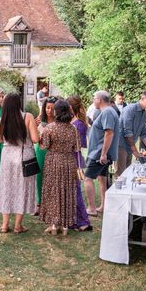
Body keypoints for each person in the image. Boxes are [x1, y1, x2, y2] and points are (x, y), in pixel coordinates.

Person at [0, 93, 39, 233]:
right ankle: (18, 225)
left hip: (7, 157)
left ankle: (4, 225)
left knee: (7, 188)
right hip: (24, 156)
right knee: (22, 189)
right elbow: (36, 139)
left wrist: (8, 141)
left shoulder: (3, 119)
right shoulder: (28, 117)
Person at [39, 100, 80, 236]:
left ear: (56, 111)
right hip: (68, 161)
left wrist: (40, 134)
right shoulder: (73, 128)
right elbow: (77, 148)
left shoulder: (50, 128)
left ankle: (54, 225)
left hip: (53, 161)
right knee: (67, 191)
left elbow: (43, 146)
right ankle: (65, 226)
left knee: (53, 191)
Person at [84, 91, 120, 215]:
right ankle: (104, 206)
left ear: (99, 99)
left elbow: (109, 133)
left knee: (87, 178)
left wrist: (103, 154)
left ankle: (91, 208)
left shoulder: (107, 112)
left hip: (99, 154)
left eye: (94, 98)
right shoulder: (108, 111)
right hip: (100, 153)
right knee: (102, 179)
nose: (93, 100)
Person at [67, 95, 92, 232]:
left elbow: (80, 144)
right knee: (72, 191)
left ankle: (83, 221)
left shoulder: (79, 124)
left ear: (70, 107)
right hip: (71, 158)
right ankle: (74, 219)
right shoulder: (74, 122)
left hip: (75, 160)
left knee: (76, 192)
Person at [116, 91, 146, 177]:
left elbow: (143, 134)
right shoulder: (130, 109)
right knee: (121, 173)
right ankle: (115, 191)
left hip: (130, 146)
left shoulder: (144, 114)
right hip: (121, 145)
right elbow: (127, 132)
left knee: (128, 172)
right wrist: (134, 150)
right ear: (142, 99)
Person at [34, 97, 57, 214]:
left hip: (53, 151)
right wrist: (34, 125)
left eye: (52, 108)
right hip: (40, 150)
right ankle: (39, 203)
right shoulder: (39, 119)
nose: (49, 111)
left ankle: (50, 203)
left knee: (52, 177)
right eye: (48, 108)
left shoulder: (59, 121)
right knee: (39, 176)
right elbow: (33, 136)